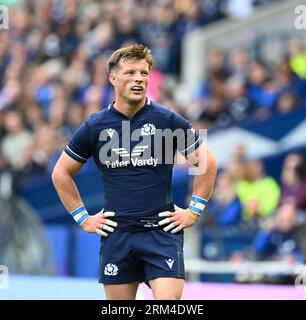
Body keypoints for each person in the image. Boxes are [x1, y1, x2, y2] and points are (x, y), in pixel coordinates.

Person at [51, 44, 217, 300]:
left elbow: (207, 162)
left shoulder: (167, 120)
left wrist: (194, 211)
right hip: (117, 234)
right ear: (113, 78)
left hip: (161, 232)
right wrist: (82, 218)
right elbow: (61, 173)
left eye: (144, 73)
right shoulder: (95, 126)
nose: (138, 79)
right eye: (130, 73)